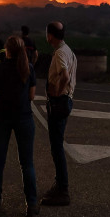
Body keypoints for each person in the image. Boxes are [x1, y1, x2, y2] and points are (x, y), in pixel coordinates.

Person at [0, 35, 39, 216]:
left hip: (2, 117)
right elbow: (32, 96)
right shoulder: (28, 69)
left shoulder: (0, 69)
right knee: (27, 164)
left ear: (7, 50)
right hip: (24, 117)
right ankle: (32, 204)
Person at [41, 20, 77, 206]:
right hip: (66, 100)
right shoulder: (69, 51)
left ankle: (62, 190)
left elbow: (65, 76)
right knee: (57, 146)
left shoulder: (60, 53)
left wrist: (56, 93)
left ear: (50, 35)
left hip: (59, 102)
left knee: (56, 148)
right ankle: (59, 184)